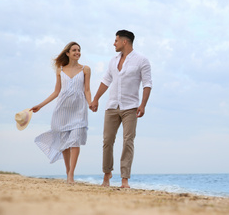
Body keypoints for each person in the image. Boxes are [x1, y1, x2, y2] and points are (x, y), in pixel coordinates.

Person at [89, 30, 152, 188]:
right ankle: (106, 175)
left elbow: (147, 84)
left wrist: (143, 104)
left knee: (128, 141)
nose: (114, 43)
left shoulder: (142, 60)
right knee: (107, 141)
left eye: (116, 40)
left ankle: (125, 179)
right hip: (111, 106)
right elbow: (106, 80)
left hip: (130, 107)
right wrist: (96, 99)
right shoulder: (113, 61)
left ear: (125, 42)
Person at [30, 42, 91, 184]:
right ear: (68, 53)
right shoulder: (60, 69)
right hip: (62, 111)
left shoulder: (85, 69)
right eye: (74, 50)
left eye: (79, 50)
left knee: (75, 140)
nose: (77, 52)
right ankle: (67, 170)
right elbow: (56, 92)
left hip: (79, 110)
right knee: (64, 143)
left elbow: (86, 90)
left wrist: (91, 103)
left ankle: (71, 174)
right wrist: (40, 105)